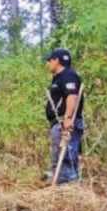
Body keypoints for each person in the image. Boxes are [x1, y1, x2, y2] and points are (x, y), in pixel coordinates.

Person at [43, 48, 85, 184]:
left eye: (49, 60)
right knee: (58, 156)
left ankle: (69, 188)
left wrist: (67, 118)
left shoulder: (69, 75)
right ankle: (59, 185)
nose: (47, 64)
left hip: (66, 122)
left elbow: (72, 95)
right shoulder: (58, 78)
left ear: (56, 60)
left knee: (67, 157)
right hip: (58, 123)